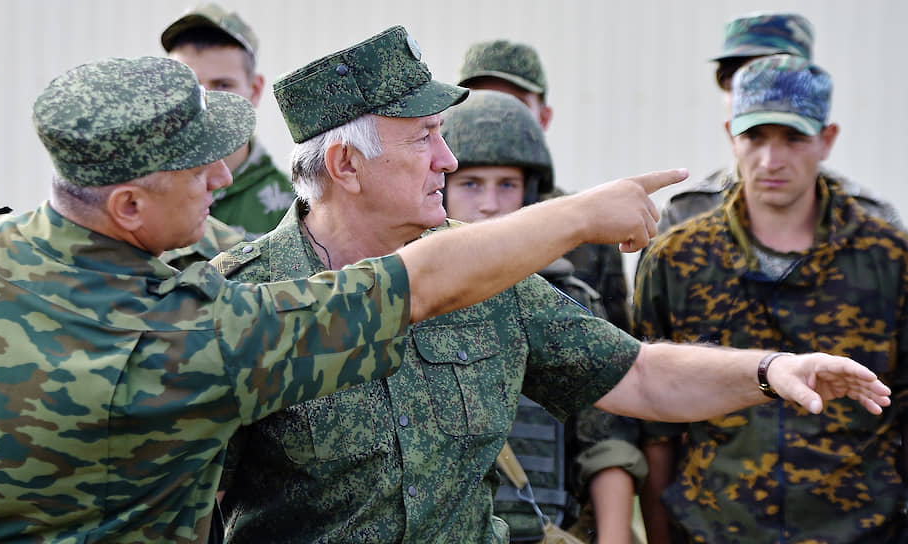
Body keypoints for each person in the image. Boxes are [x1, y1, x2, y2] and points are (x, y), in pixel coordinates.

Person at [0, 55, 689, 541]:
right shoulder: (201, 332)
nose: (223, 179)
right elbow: (419, 286)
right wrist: (585, 214)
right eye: (197, 169)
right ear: (130, 208)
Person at [212, 26, 891, 544]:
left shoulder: (487, 277)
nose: (447, 160)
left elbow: (643, 375)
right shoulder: (239, 303)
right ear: (346, 165)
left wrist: (773, 370)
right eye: (423, 139)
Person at [634, 54, 908, 543]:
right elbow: (655, 430)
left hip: (860, 531)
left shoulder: (888, 261)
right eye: (755, 136)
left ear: (827, 139)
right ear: (730, 134)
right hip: (713, 530)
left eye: (794, 138)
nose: (771, 161)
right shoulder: (676, 261)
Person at [441, 89, 646, 544]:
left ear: (531, 193)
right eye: (471, 184)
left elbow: (605, 441)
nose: (490, 204)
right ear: (442, 189)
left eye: (507, 185)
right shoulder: (405, 297)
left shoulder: (568, 301)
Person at [657, 11, 902, 231]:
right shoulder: (686, 214)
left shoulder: (870, 222)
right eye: (734, 77)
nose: (757, 92)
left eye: (778, 73)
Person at [457, 39, 630, 330]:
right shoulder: (417, 221)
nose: (495, 115)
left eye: (515, 105)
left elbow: (620, 347)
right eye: (480, 100)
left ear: (544, 118)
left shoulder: (586, 231)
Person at [161, 2, 296, 237]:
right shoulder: (141, 194)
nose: (203, 101)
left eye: (222, 86)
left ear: (254, 90)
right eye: (187, 87)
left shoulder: (294, 208)